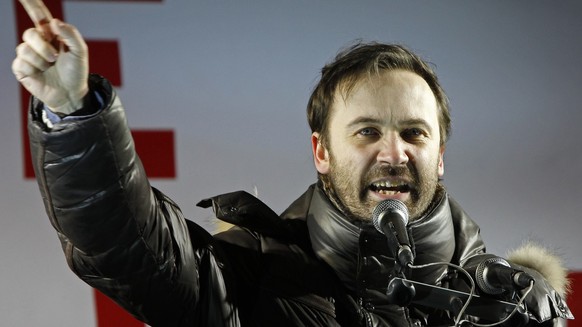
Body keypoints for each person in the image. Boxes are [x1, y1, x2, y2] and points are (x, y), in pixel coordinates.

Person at [12, 12, 573, 327]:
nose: (393, 152)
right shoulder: (252, 282)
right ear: (322, 153)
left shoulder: (508, 305)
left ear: (440, 154)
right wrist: (76, 115)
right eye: (367, 132)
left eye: (413, 133)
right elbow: (130, 249)